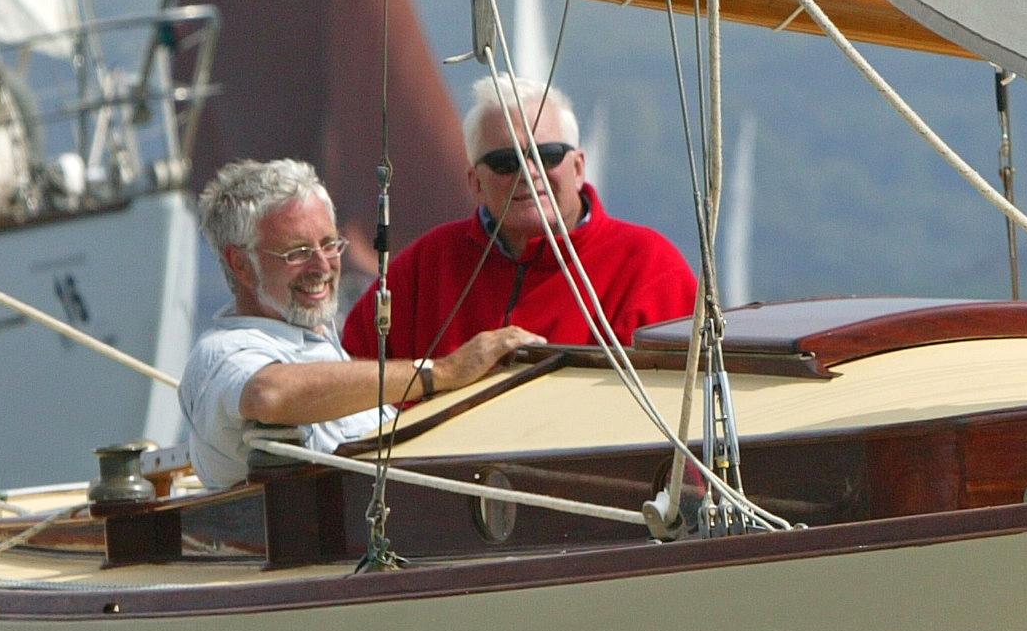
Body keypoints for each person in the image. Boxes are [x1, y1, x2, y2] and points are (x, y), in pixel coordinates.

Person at [184, 157, 542, 494]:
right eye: (298, 253)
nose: (322, 267)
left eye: (328, 244)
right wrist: (443, 372)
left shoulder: (322, 346)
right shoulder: (222, 351)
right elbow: (267, 394)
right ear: (242, 265)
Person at [339, 72, 699, 366]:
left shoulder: (650, 266)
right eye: (505, 162)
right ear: (475, 183)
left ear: (578, 168)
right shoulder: (426, 266)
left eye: (548, 155)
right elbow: (354, 372)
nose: (528, 173)